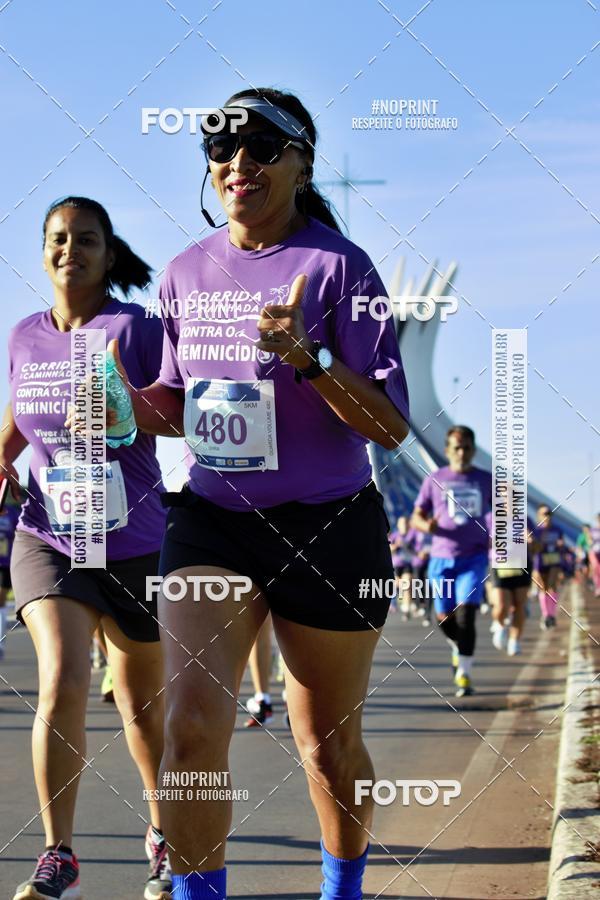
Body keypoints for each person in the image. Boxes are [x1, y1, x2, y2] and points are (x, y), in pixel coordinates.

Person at [114, 87, 410, 900]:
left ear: (300, 163)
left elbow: (388, 427)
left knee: (326, 744)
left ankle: (342, 889)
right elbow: (175, 404)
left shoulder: (340, 269)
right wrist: (120, 408)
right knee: (192, 726)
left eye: (260, 148)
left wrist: (309, 358)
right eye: (220, 151)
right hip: (212, 520)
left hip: (329, 523)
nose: (236, 164)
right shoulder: (184, 271)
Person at [3, 197, 172, 900]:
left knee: (143, 709)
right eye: (58, 238)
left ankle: (164, 838)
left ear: (109, 254)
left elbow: (176, 409)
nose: (70, 249)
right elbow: (17, 419)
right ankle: (58, 854)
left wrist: (125, 406)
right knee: (63, 679)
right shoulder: (23, 336)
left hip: (134, 543)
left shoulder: (133, 328)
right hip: (49, 535)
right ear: (43, 251)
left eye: (87, 240)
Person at [411, 426, 492, 697]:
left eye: (467, 447)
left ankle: (465, 674)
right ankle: (459, 649)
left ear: (473, 449)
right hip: (441, 558)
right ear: (447, 450)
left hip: (474, 557)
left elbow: (502, 513)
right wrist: (427, 526)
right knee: (445, 617)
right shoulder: (434, 479)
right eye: (456, 447)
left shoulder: (486, 480)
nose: (461, 452)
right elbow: (416, 517)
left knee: (467, 614)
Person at [490, 517, 537, 656]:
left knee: (519, 605)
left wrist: (530, 540)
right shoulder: (491, 518)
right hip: (500, 564)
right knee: (501, 605)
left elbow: (536, 546)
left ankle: (514, 640)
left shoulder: (526, 520)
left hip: (521, 563)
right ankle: (500, 625)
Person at [531, 505, 564, 629]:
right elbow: (533, 549)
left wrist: (560, 546)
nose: (547, 516)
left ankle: (551, 615)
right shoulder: (537, 531)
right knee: (543, 588)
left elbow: (561, 545)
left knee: (552, 586)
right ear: (539, 515)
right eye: (544, 514)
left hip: (554, 560)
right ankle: (546, 615)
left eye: (549, 513)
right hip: (540, 561)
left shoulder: (557, 529)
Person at [0, 490, 21, 659]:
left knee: (0, 601)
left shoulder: (11, 513)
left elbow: (18, 536)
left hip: (5, 563)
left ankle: (0, 643)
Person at [389, 515, 412, 618]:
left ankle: (406, 609)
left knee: (406, 585)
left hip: (408, 564)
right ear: (398, 525)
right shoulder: (395, 536)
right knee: (398, 585)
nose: (404, 525)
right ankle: (397, 600)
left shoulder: (412, 535)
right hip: (397, 565)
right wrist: (396, 546)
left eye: (405, 523)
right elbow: (389, 549)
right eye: (401, 523)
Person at [588, 515, 600, 597]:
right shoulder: (593, 530)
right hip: (594, 552)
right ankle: (598, 588)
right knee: (596, 568)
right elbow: (589, 541)